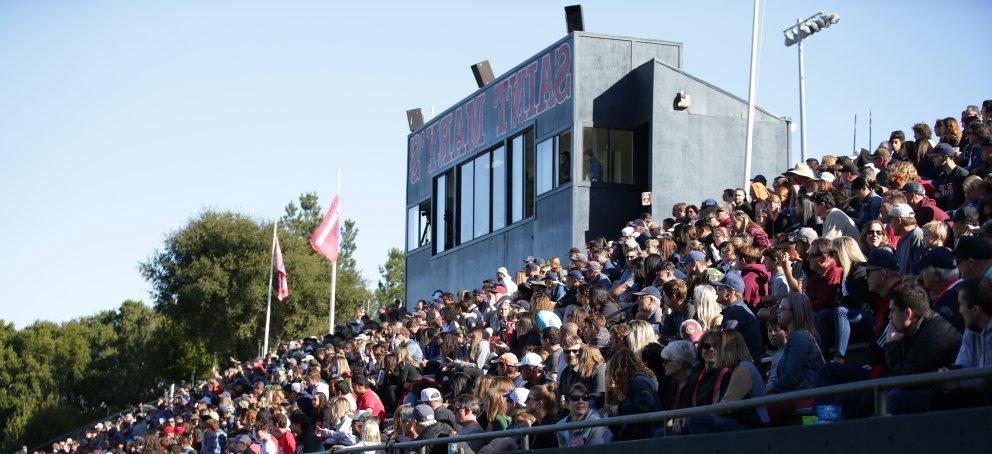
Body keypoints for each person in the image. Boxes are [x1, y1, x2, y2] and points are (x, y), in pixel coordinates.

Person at [884, 284, 962, 414]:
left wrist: (892, 344)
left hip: (952, 400)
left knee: (894, 397)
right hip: (935, 392)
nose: (890, 317)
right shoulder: (921, 326)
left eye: (893, 311)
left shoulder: (932, 334)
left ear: (908, 313)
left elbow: (901, 379)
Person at [682, 330, 768, 433]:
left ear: (728, 348)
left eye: (718, 346)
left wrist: (694, 414)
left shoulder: (742, 369)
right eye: (708, 346)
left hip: (755, 427)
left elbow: (726, 407)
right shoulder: (739, 368)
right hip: (746, 423)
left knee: (695, 420)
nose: (713, 350)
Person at [766, 293, 825, 424]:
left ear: (795, 312)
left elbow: (791, 377)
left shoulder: (799, 337)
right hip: (797, 393)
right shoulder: (798, 336)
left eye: (782, 309)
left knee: (759, 406)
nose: (778, 312)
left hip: (804, 394)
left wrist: (772, 388)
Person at [604, 348, 661, 441]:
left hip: (647, 435)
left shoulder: (638, 382)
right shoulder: (634, 382)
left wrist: (619, 409)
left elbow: (646, 406)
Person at [915, 247, 964, 332]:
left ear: (936, 275)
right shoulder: (963, 287)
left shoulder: (947, 304)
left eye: (923, 270)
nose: (920, 275)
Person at [556, 383, 613, 447]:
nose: (581, 401)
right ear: (566, 404)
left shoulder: (596, 423)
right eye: (575, 398)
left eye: (585, 398)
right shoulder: (560, 426)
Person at [931, 143, 970, 211]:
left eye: (935, 156)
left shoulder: (962, 175)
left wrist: (942, 196)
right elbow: (936, 201)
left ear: (946, 157)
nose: (932, 160)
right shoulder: (941, 177)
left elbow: (959, 202)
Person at [890, 203, 925, 276]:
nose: (890, 224)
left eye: (891, 220)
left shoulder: (917, 235)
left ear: (899, 221)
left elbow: (920, 271)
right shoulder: (901, 239)